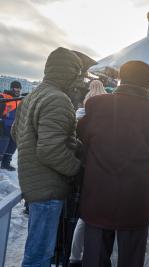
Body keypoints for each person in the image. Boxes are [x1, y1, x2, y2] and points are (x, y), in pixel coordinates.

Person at [77, 60, 149, 267]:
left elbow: (82, 142)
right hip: (136, 199)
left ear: (122, 77)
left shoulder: (97, 104)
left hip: (97, 196)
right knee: (131, 258)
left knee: (94, 258)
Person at [11, 47, 92, 266]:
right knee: (39, 255)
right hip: (48, 188)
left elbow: (17, 133)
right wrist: (77, 167)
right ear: (69, 72)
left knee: (35, 249)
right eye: (77, 73)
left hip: (34, 183)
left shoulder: (34, 95)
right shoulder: (58, 99)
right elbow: (49, 150)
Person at [68, 79, 107, 267]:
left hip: (83, 170)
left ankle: (75, 256)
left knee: (83, 217)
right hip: (96, 172)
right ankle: (81, 257)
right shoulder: (106, 103)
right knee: (88, 219)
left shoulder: (82, 110)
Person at [0, 81, 22, 171]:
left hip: (15, 127)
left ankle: (6, 164)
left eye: (19, 88)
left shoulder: (21, 99)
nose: (18, 90)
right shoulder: (4, 97)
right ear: (11, 88)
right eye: (16, 88)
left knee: (12, 146)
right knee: (2, 146)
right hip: (3, 125)